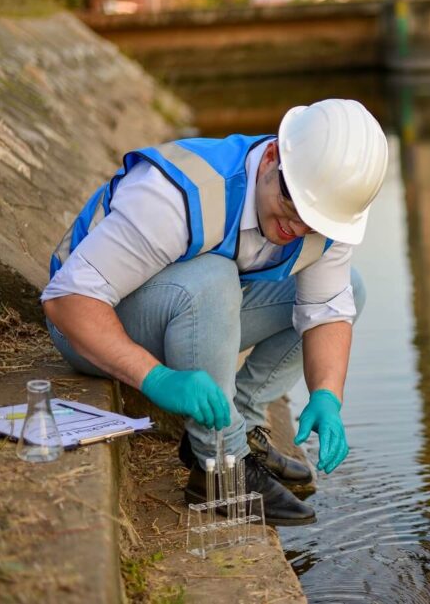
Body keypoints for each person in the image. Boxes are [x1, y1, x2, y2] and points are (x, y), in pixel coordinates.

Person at [41, 99, 388, 526]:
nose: (297, 229)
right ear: (274, 157)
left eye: (314, 223)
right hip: (92, 326)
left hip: (192, 312)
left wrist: (327, 395)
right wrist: (156, 377)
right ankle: (220, 464)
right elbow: (67, 301)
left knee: (350, 288)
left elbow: (327, 310)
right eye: (293, 207)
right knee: (212, 276)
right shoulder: (175, 195)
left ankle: (244, 419)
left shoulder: (324, 215)